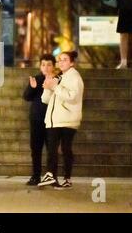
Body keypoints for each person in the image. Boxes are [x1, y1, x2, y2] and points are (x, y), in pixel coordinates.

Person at [38, 51, 84, 190]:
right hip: (54, 120)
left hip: (67, 120)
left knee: (65, 149)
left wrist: (55, 87)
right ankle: (51, 175)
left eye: (64, 60)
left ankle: (66, 178)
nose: (61, 62)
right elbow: (45, 100)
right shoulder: (60, 77)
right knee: (52, 148)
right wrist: (48, 87)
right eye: (59, 60)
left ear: (72, 63)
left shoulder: (75, 77)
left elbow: (72, 96)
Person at [22, 54, 56, 186]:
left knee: (51, 150)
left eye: (49, 65)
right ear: (40, 66)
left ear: (53, 66)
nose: (46, 67)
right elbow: (26, 97)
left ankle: (51, 177)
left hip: (53, 120)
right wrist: (33, 87)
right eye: (43, 65)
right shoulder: (36, 79)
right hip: (36, 119)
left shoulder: (57, 79)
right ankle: (36, 176)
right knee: (36, 149)